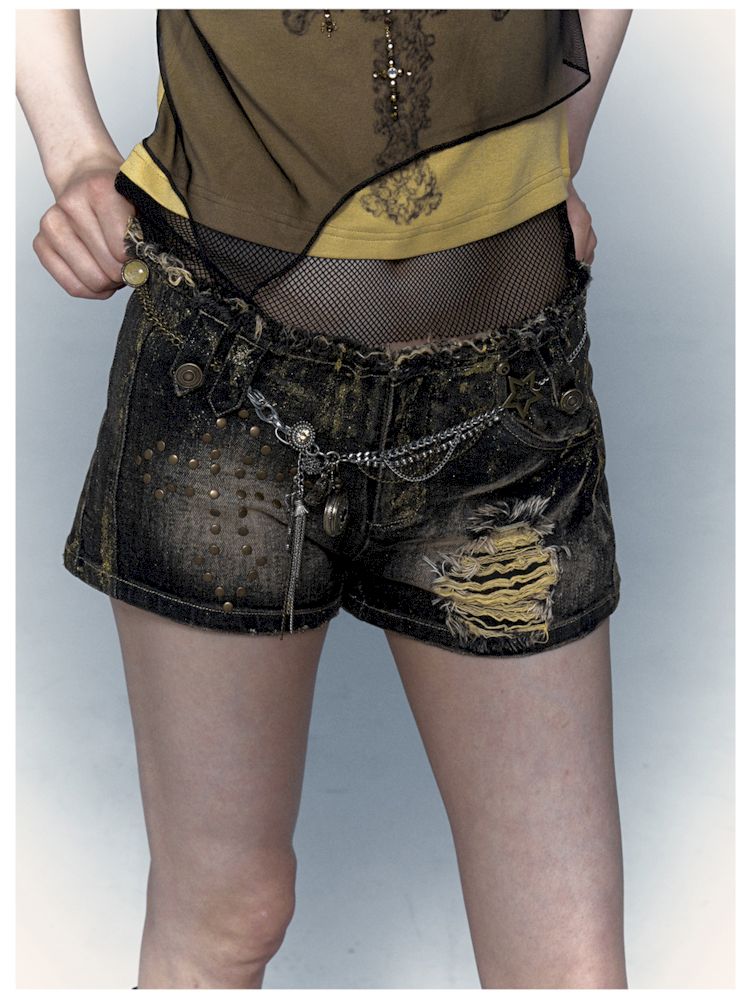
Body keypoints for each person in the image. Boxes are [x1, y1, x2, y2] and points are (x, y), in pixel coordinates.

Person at [16, 8, 633, 989]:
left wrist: (561, 141)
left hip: (506, 389)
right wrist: (74, 151)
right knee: (225, 915)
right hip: (227, 374)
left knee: (568, 960)